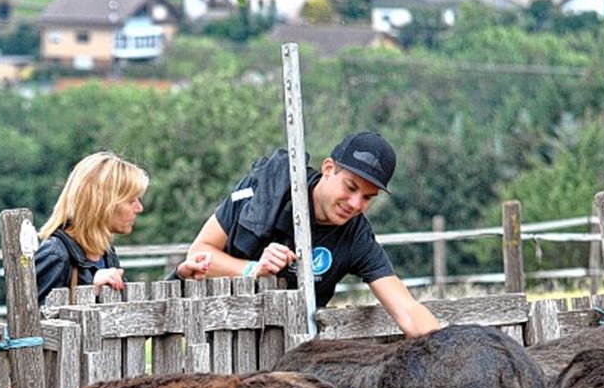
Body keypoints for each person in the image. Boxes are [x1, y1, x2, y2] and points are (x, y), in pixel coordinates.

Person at [176, 131, 440, 337]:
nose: (355, 204)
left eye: (368, 198)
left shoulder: (357, 235)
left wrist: (447, 349)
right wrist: (253, 270)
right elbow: (199, 253)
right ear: (328, 168)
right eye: (350, 187)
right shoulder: (266, 192)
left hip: (293, 352)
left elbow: (407, 309)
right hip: (220, 336)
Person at [34, 151, 148, 303]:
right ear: (103, 203)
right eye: (131, 201)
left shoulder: (105, 253)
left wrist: (179, 277)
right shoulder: (55, 255)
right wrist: (90, 289)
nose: (139, 208)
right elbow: (27, 321)